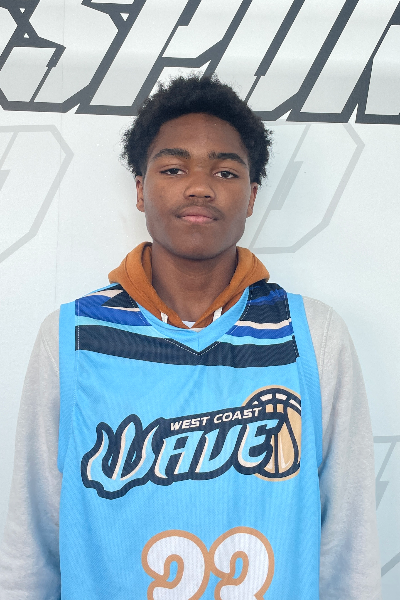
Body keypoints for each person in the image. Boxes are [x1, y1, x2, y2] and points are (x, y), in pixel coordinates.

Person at [0, 75, 381, 599]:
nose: (199, 186)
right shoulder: (74, 337)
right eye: (174, 168)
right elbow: (31, 548)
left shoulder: (313, 336)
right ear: (140, 189)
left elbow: (349, 549)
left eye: (224, 171)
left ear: (251, 197)